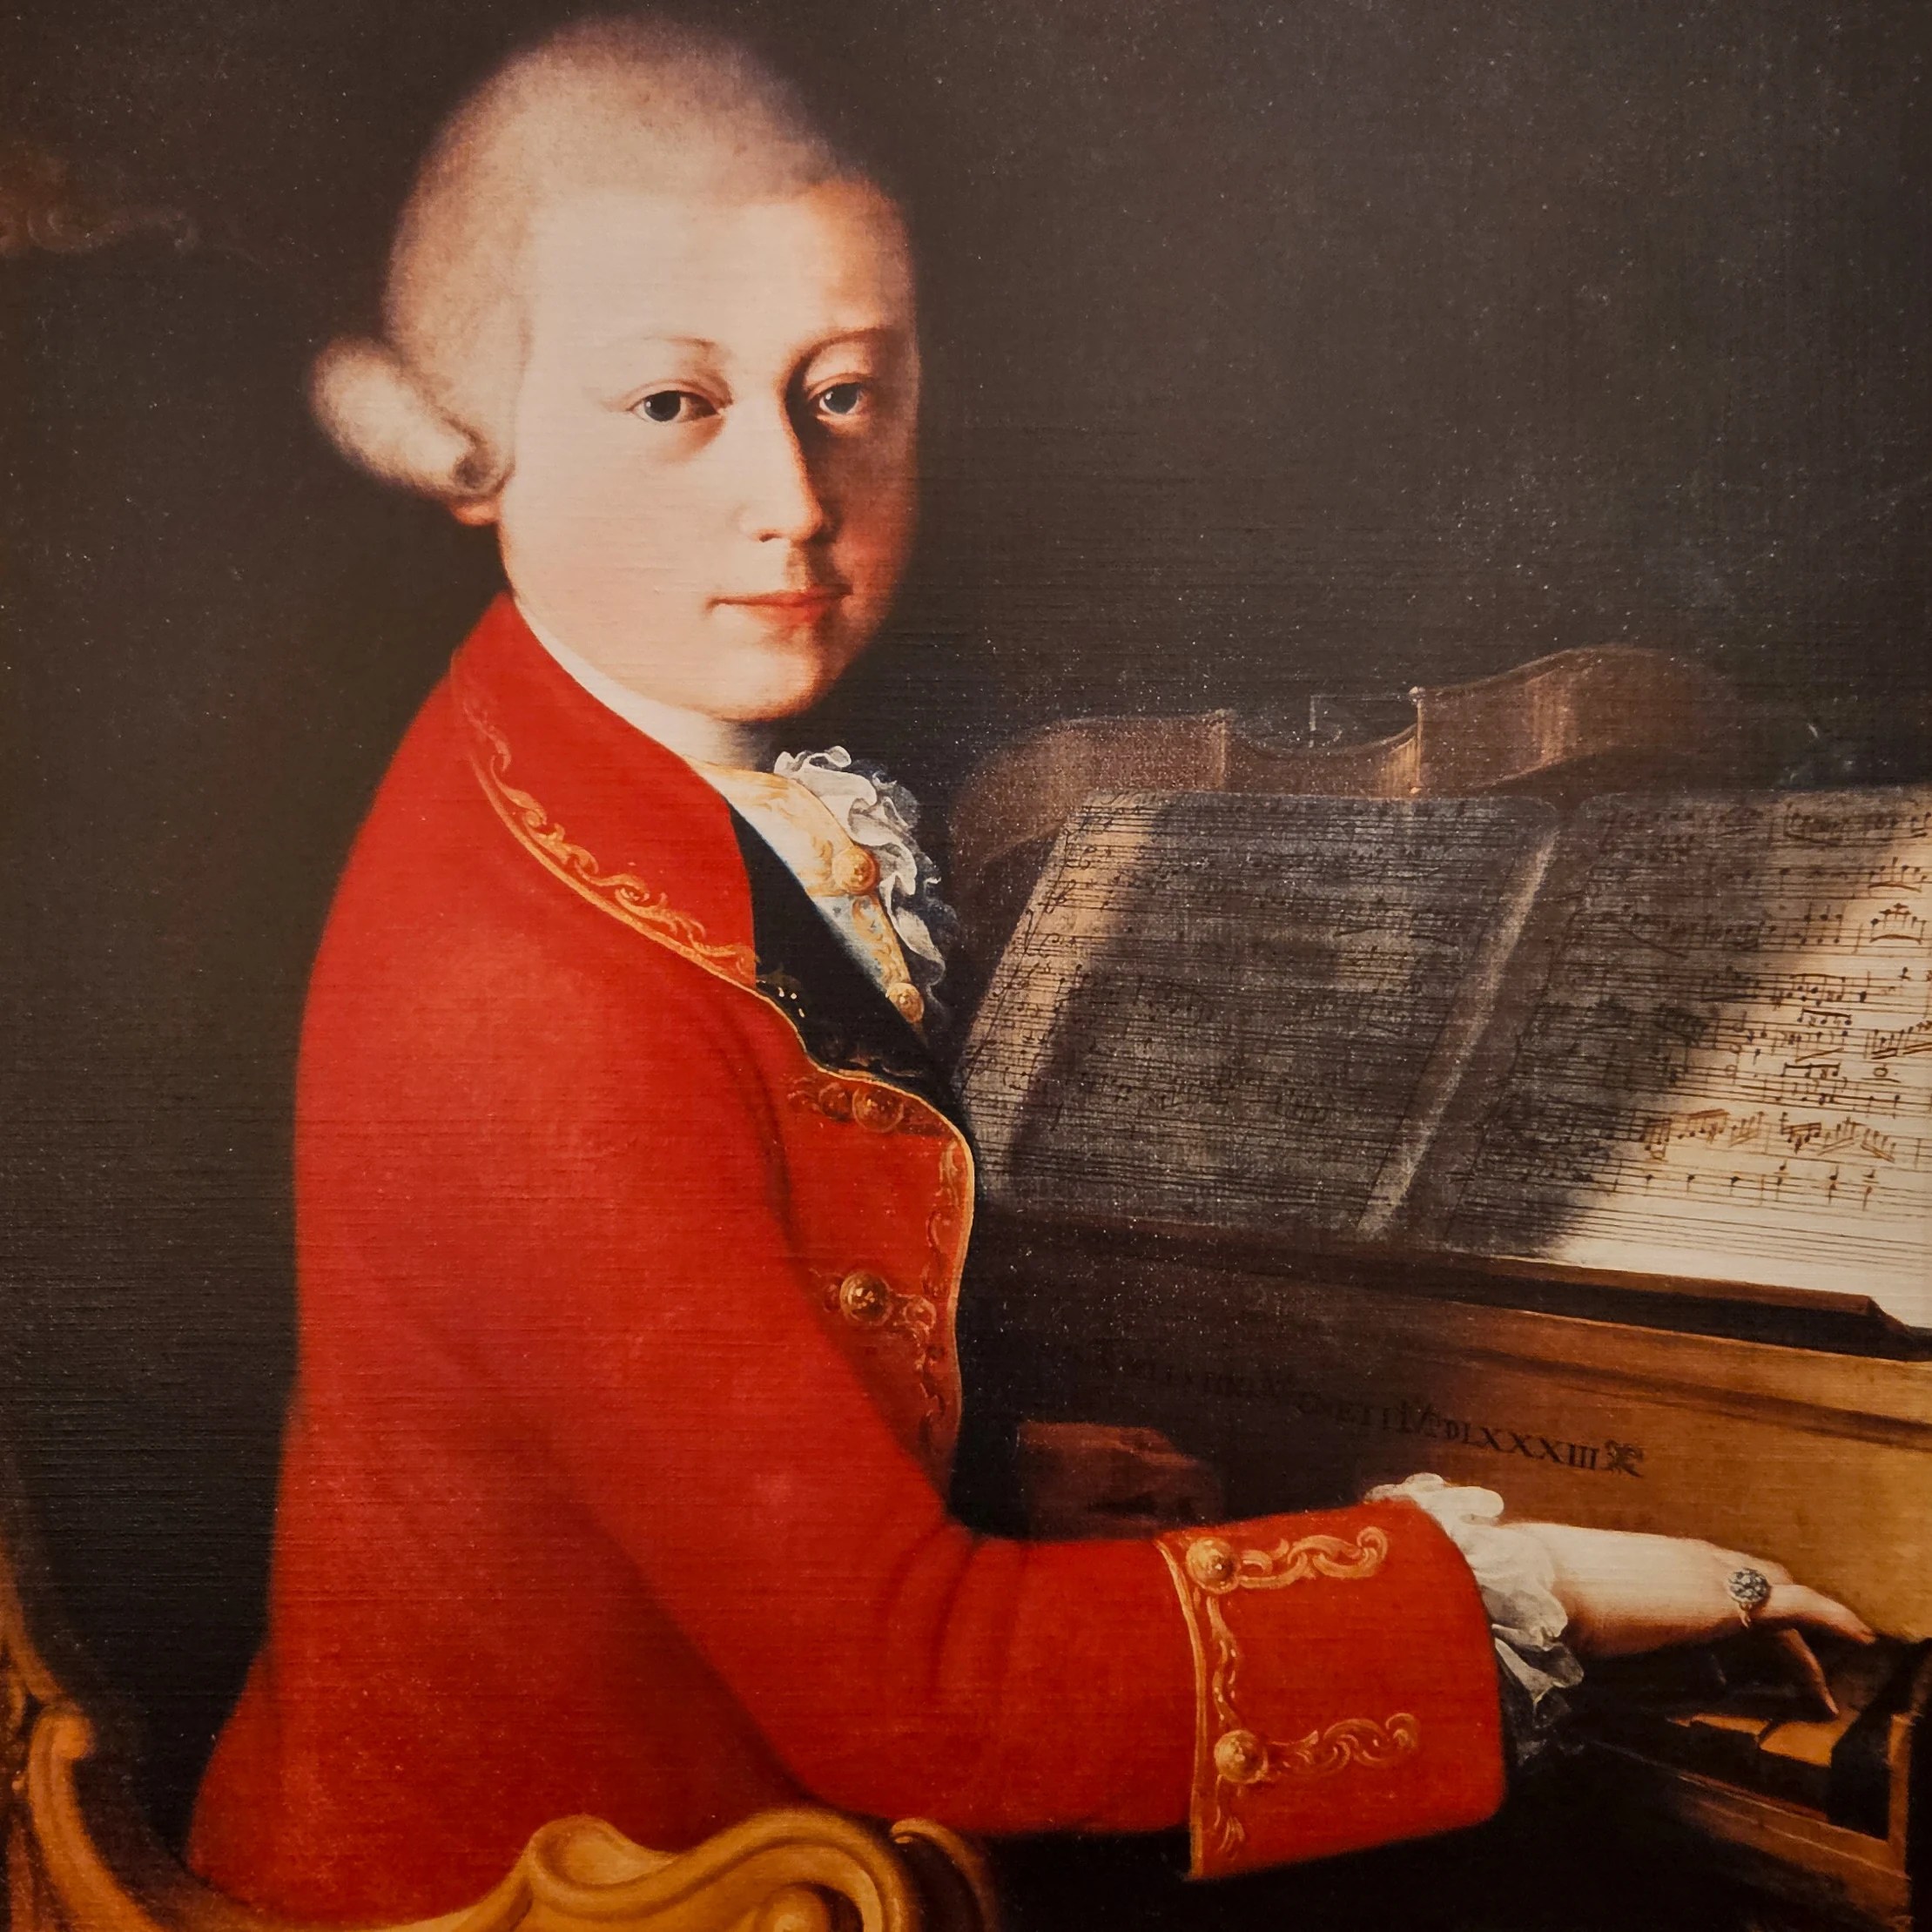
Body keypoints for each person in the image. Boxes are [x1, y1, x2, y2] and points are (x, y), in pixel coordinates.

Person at [185, 16, 1871, 1922]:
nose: (794, 499)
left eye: (845, 391)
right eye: (672, 406)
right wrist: (1536, 1587)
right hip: (530, 1894)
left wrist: (971, 1463)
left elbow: (680, 1399)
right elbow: (916, 1700)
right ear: (467, 447)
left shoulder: (599, 759)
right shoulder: (526, 1000)